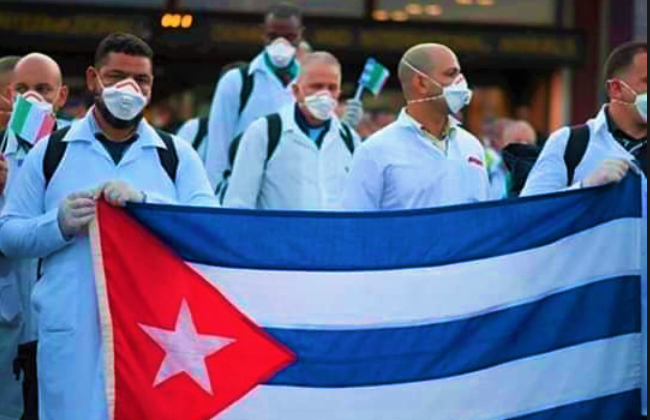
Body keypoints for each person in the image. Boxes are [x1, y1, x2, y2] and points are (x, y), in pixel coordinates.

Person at [0, 33, 216, 420]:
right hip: (71, 328)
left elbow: (208, 230)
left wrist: (148, 206)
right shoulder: (51, 151)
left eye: (141, 80)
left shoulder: (176, 156)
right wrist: (59, 224)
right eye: (116, 76)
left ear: (151, 87)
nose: (129, 89)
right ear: (93, 78)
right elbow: (9, 233)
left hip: (154, 332)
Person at [521, 41, 647, 420]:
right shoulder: (572, 144)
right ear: (616, 89)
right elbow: (528, 221)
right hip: (589, 319)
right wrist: (582, 192)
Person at [0, 52, 71, 420]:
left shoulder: (79, 147)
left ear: (62, 95)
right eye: (23, 90)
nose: (33, 99)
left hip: (61, 317)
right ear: (9, 94)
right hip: (9, 320)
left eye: (43, 89)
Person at [342, 43, 490, 211]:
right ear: (421, 83)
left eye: (459, 74)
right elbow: (356, 226)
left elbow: (482, 219)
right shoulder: (374, 151)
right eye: (450, 74)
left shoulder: (471, 146)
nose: (461, 83)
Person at [224, 52, 360, 211]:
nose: (325, 94)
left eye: (332, 87)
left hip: (332, 235)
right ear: (296, 91)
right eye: (317, 86)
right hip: (277, 235)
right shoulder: (265, 132)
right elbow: (239, 203)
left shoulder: (350, 139)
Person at [205, 4, 305, 190]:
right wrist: (215, 195)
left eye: (290, 37)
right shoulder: (236, 82)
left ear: (300, 35)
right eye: (273, 36)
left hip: (293, 191)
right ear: (263, 34)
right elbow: (217, 146)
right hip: (244, 188)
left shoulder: (309, 83)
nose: (281, 44)